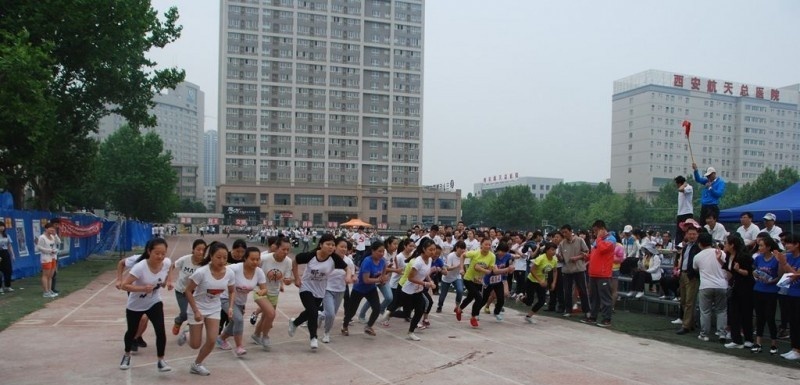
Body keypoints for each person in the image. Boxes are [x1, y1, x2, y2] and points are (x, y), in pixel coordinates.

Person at [179, 242, 235, 376]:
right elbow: (187, 291)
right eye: (218, 257)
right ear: (211, 256)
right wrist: (196, 311)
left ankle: (197, 364)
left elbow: (232, 291)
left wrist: (231, 307)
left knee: (211, 340)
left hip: (214, 308)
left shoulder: (230, 273)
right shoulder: (201, 272)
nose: (222, 261)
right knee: (195, 344)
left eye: (225, 258)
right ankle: (186, 334)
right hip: (197, 308)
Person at [118, 238, 172, 372]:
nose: (160, 257)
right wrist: (142, 288)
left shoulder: (166, 262)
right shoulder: (140, 267)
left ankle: (161, 360)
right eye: (157, 253)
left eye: (163, 253)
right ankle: (126, 355)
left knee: (160, 330)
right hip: (136, 304)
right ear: (149, 251)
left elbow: (170, 267)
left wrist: (168, 281)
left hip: (154, 301)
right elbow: (125, 285)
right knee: (131, 331)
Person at [289, 234, 348, 350]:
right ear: (321, 245)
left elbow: (347, 268)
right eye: (328, 244)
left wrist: (349, 277)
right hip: (306, 287)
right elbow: (294, 261)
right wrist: (296, 278)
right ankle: (313, 338)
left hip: (320, 290)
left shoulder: (334, 258)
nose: (331, 247)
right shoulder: (311, 255)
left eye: (333, 245)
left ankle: (295, 323)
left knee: (311, 311)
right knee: (313, 312)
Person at [218, 247, 266, 356]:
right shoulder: (235, 268)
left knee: (235, 321)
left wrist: (261, 292)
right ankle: (239, 346)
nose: (255, 262)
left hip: (240, 302)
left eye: (257, 259)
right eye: (252, 259)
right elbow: (220, 270)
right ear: (245, 258)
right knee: (239, 319)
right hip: (226, 298)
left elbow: (264, 288)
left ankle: (221, 339)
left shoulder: (259, 272)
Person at [252, 237, 294, 350]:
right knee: (271, 314)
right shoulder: (264, 259)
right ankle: (265, 336)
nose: (285, 252)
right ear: (276, 248)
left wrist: (287, 281)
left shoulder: (288, 262)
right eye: (283, 249)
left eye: (287, 250)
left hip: (274, 293)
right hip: (260, 291)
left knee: (266, 317)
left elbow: (287, 279)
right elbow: (253, 268)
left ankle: (256, 335)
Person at [342, 241, 387, 337]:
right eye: (379, 251)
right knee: (352, 311)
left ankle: (368, 326)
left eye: (383, 251)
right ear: (373, 251)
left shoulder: (383, 261)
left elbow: (384, 271)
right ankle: (345, 326)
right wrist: (379, 279)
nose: (382, 254)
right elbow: (366, 280)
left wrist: (383, 278)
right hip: (359, 289)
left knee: (376, 308)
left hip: (371, 289)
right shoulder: (367, 262)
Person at [692, 233, 729, 343]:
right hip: (722, 285)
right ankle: (722, 333)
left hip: (706, 285)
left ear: (700, 243)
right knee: (721, 310)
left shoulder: (698, 256)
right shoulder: (721, 252)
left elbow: (695, 268)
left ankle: (704, 334)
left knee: (705, 311)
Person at [399, 238, 436, 341]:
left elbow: (425, 273)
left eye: (434, 249)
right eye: (430, 250)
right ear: (424, 249)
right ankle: (389, 313)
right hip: (408, 290)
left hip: (417, 290)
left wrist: (430, 281)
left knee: (419, 310)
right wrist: (425, 283)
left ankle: (410, 332)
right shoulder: (417, 262)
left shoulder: (429, 260)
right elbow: (410, 278)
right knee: (406, 313)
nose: (433, 252)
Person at [169, 239, 206, 336]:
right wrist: (169, 280)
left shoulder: (205, 264)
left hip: (195, 293)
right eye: (198, 249)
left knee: (195, 313)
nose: (201, 252)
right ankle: (178, 321)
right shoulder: (185, 259)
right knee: (185, 313)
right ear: (193, 249)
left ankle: (189, 331)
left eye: (203, 250)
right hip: (181, 291)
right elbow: (172, 266)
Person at [723, 235, 755, 349]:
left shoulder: (743, 256)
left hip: (746, 288)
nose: (725, 245)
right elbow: (729, 271)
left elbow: (748, 273)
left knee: (746, 314)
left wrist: (738, 270)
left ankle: (749, 339)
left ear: (732, 245)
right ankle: (736, 339)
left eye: (726, 243)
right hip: (734, 287)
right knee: (733, 314)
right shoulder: (728, 256)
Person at [455, 238, 495, 328]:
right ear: (481, 245)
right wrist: (461, 268)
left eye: (489, 245)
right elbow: (462, 256)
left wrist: (480, 270)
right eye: (486, 244)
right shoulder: (475, 253)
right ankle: (473, 317)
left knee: (470, 297)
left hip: (479, 281)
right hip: (468, 279)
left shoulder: (492, 256)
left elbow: (489, 271)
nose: (488, 246)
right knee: (479, 298)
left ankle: (459, 309)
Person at [751, 237, 781, 354]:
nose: (760, 248)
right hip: (758, 289)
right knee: (759, 316)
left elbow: (780, 275)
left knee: (770, 317)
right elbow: (754, 270)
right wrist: (755, 274)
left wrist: (772, 281)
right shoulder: (758, 258)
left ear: (768, 247)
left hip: (771, 291)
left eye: (762, 246)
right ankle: (758, 342)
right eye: (759, 246)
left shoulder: (776, 259)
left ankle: (774, 343)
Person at [321, 238, 355, 343]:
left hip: (340, 290)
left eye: (345, 247)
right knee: (330, 314)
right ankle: (326, 334)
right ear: (335, 247)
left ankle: (319, 316)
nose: (344, 249)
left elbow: (352, 275)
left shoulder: (349, 261)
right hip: (327, 289)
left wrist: (351, 278)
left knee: (331, 314)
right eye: (341, 246)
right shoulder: (328, 259)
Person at [583, 220, 615, 327]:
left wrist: (599, 238)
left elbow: (602, 250)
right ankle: (593, 316)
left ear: (602, 229)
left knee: (605, 297)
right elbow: (595, 253)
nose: (594, 233)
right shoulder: (598, 240)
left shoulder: (611, 239)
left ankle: (607, 319)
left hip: (603, 274)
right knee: (593, 297)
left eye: (596, 230)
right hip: (593, 273)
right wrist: (587, 256)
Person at [775, 234, 800, 360]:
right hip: (790, 292)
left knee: (798, 322)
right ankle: (794, 348)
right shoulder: (788, 256)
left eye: (790, 243)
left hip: (798, 294)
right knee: (793, 322)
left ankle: (798, 349)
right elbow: (783, 274)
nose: (786, 245)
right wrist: (781, 262)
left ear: (797, 244)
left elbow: (796, 275)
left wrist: (785, 263)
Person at [674, 221, 701, 334]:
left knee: (690, 301)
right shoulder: (685, 247)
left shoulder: (698, 247)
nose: (691, 236)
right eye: (690, 234)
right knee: (684, 300)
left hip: (692, 276)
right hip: (683, 274)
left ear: (697, 235)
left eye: (694, 234)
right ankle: (691, 322)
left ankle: (686, 326)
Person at [521, 242, 558, 324]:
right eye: (552, 250)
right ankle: (522, 298)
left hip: (543, 282)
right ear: (547, 250)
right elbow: (532, 270)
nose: (554, 252)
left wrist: (553, 283)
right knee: (529, 301)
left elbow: (555, 271)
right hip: (532, 280)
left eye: (555, 250)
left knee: (542, 300)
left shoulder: (554, 260)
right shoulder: (541, 258)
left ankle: (529, 316)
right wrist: (539, 280)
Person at [558, 225, 590, 318]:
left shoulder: (580, 240)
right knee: (567, 291)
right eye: (563, 232)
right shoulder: (562, 243)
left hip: (579, 269)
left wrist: (577, 257)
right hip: (567, 270)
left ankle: (587, 310)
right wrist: (559, 258)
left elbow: (586, 252)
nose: (564, 234)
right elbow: (562, 258)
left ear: (571, 231)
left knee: (582, 290)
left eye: (566, 232)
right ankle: (568, 310)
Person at [481, 242, 514, 321]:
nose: (502, 253)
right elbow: (495, 271)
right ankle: (476, 312)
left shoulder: (507, 256)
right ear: (498, 250)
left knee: (501, 298)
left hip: (498, 280)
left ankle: (496, 312)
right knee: (484, 299)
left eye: (504, 252)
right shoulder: (493, 257)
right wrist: (507, 269)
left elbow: (514, 257)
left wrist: (511, 266)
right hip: (489, 280)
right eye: (501, 251)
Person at [437, 240, 465, 313]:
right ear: (456, 248)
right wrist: (457, 266)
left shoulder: (464, 256)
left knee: (460, 290)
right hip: (447, 277)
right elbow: (448, 268)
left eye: (463, 249)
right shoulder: (451, 255)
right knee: (443, 295)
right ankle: (440, 306)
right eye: (461, 248)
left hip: (456, 277)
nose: (462, 250)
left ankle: (457, 306)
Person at [36, 223, 59, 298]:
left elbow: (58, 242)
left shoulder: (52, 236)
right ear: (46, 229)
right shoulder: (42, 237)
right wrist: (49, 251)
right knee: (45, 275)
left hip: (53, 257)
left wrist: (55, 235)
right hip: (46, 258)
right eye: (50, 228)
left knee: (51, 275)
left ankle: (49, 290)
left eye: (53, 228)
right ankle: (45, 292)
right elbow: (39, 247)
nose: (52, 230)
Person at [674, 175, 694, 246]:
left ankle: (688, 245)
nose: (676, 186)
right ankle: (678, 246)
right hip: (680, 213)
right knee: (679, 232)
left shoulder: (689, 187)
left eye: (677, 184)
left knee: (686, 231)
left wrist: (684, 184)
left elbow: (680, 189)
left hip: (687, 213)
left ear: (680, 183)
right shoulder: (681, 188)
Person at [0, 222, 15, 294]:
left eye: (3, 226)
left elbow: (9, 245)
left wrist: (13, 255)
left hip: (5, 253)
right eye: (0, 226)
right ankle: (0, 288)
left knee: (8, 270)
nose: (2, 228)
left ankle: (8, 286)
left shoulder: (6, 235)